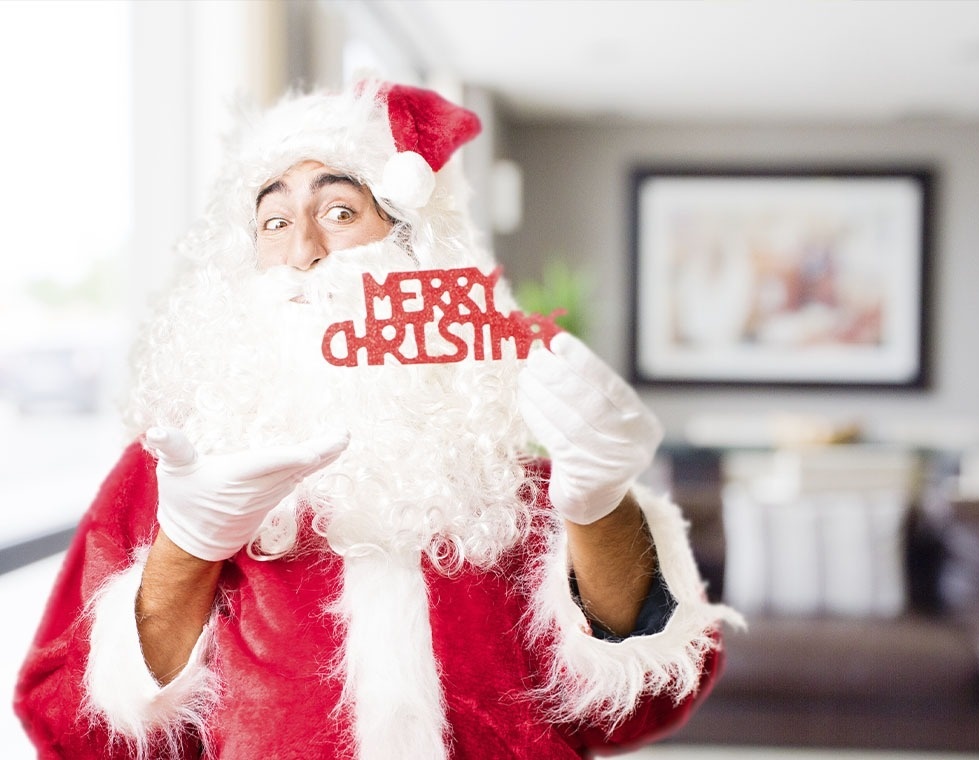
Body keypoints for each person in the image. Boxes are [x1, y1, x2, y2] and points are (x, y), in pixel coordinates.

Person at [15, 77, 739, 759]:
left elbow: (643, 701)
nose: (303, 253)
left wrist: (599, 504)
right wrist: (186, 548)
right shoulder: (176, 464)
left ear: (413, 247)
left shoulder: (509, 433)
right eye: (273, 221)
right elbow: (71, 726)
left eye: (338, 211)